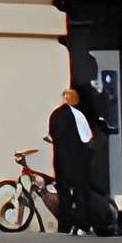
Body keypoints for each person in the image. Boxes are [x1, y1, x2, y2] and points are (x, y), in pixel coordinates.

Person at [47, 86, 99, 234]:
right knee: (81, 193)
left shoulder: (54, 115)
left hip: (60, 161)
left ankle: (64, 226)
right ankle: (82, 224)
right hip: (77, 161)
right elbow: (87, 138)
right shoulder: (79, 115)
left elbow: (50, 137)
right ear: (75, 100)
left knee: (64, 194)